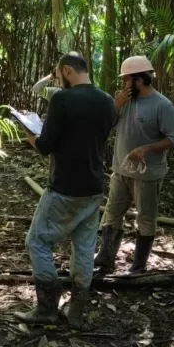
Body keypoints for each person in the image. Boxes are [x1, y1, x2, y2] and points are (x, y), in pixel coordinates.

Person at [16, 53, 116, 327]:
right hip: (94, 188)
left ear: (68, 71)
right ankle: (76, 311)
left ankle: (47, 307)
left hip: (64, 187)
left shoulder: (62, 99)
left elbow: (46, 146)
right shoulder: (107, 100)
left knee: (36, 241)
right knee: (84, 248)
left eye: (60, 75)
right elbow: (96, 138)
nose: (59, 81)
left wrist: (30, 135)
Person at [94, 55, 174, 274]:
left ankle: (138, 266)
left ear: (140, 80)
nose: (124, 84)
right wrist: (115, 105)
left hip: (147, 175)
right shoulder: (124, 101)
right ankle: (105, 259)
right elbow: (106, 126)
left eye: (127, 80)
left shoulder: (162, 105)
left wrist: (147, 148)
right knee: (112, 214)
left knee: (145, 218)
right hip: (120, 170)